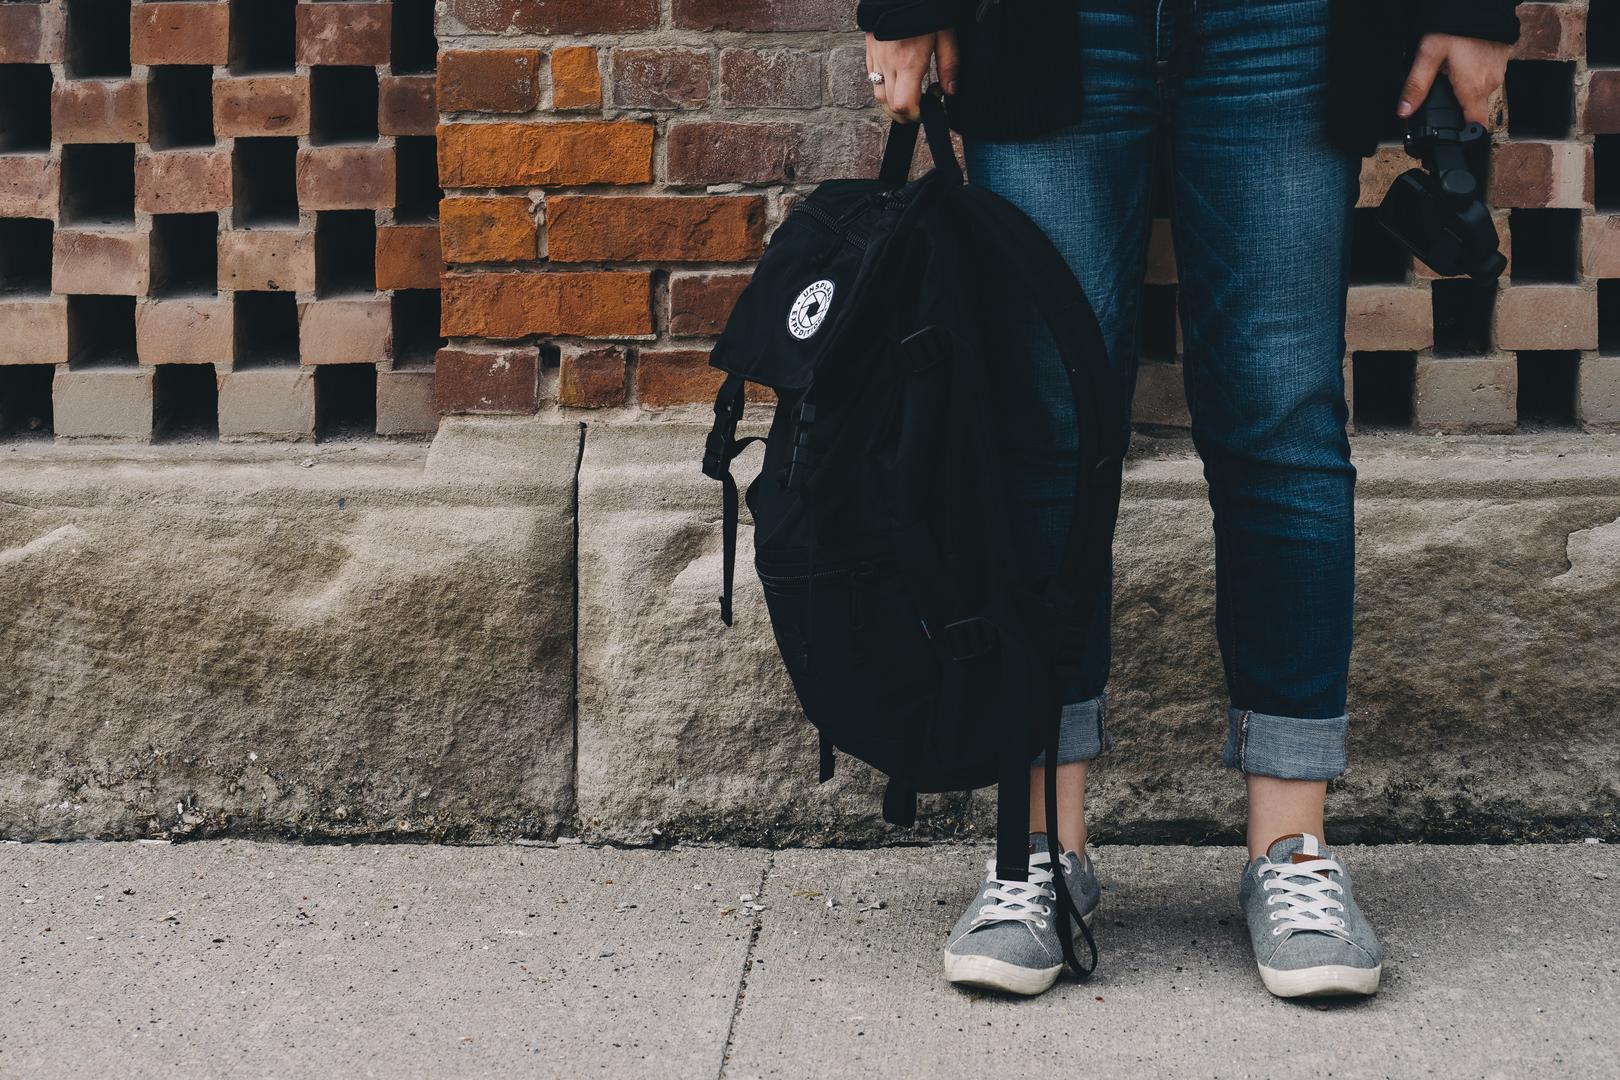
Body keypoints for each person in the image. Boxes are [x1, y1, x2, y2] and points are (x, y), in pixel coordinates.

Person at [856, 0, 1519, 998]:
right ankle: (1038, 848)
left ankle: (1293, 850)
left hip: (1286, 21)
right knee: (1048, 426)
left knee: (1283, 417)